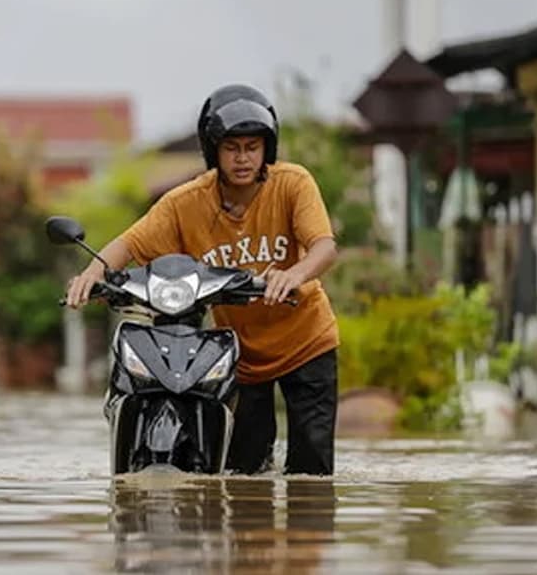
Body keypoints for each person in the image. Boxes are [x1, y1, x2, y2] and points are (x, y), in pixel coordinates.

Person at [65, 83, 340, 476]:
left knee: (310, 473)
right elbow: (130, 242)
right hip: (242, 355)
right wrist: (92, 274)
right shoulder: (185, 203)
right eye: (232, 148)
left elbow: (324, 247)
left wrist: (294, 274)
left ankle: (308, 535)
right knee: (244, 473)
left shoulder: (293, 184)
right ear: (214, 151)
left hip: (307, 341)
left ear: (267, 149)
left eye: (252, 147)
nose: (242, 158)